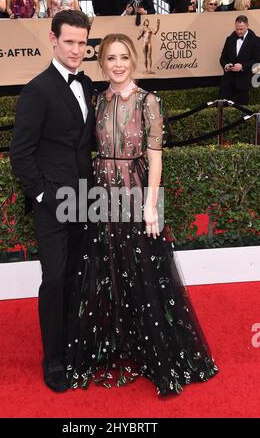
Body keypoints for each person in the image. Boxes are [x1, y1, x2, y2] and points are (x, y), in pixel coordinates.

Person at [64, 33, 218, 397]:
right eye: (110, 59)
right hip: (101, 190)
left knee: (144, 268)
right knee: (104, 265)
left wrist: (152, 206)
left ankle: (154, 348)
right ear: (101, 63)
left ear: (133, 60)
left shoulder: (150, 102)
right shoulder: (97, 101)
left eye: (123, 58)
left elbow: (156, 158)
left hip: (135, 190)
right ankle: (116, 340)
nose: (117, 65)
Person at [10, 10, 95, 392]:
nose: (76, 49)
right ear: (53, 40)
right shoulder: (38, 89)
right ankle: (55, 359)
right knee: (55, 277)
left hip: (85, 197)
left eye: (82, 42)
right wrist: (44, 195)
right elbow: (20, 153)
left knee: (78, 272)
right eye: (70, 42)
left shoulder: (88, 84)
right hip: (53, 202)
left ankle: (76, 345)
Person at [219, 15, 260, 105]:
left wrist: (242, 66)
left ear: (247, 26)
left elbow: (257, 61)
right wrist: (226, 66)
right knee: (223, 108)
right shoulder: (229, 39)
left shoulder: (256, 41)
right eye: (237, 29)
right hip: (228, 81)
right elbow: (222, 58)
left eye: (241, 29)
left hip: (244, 81)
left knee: (242, 110)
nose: (239, 31)